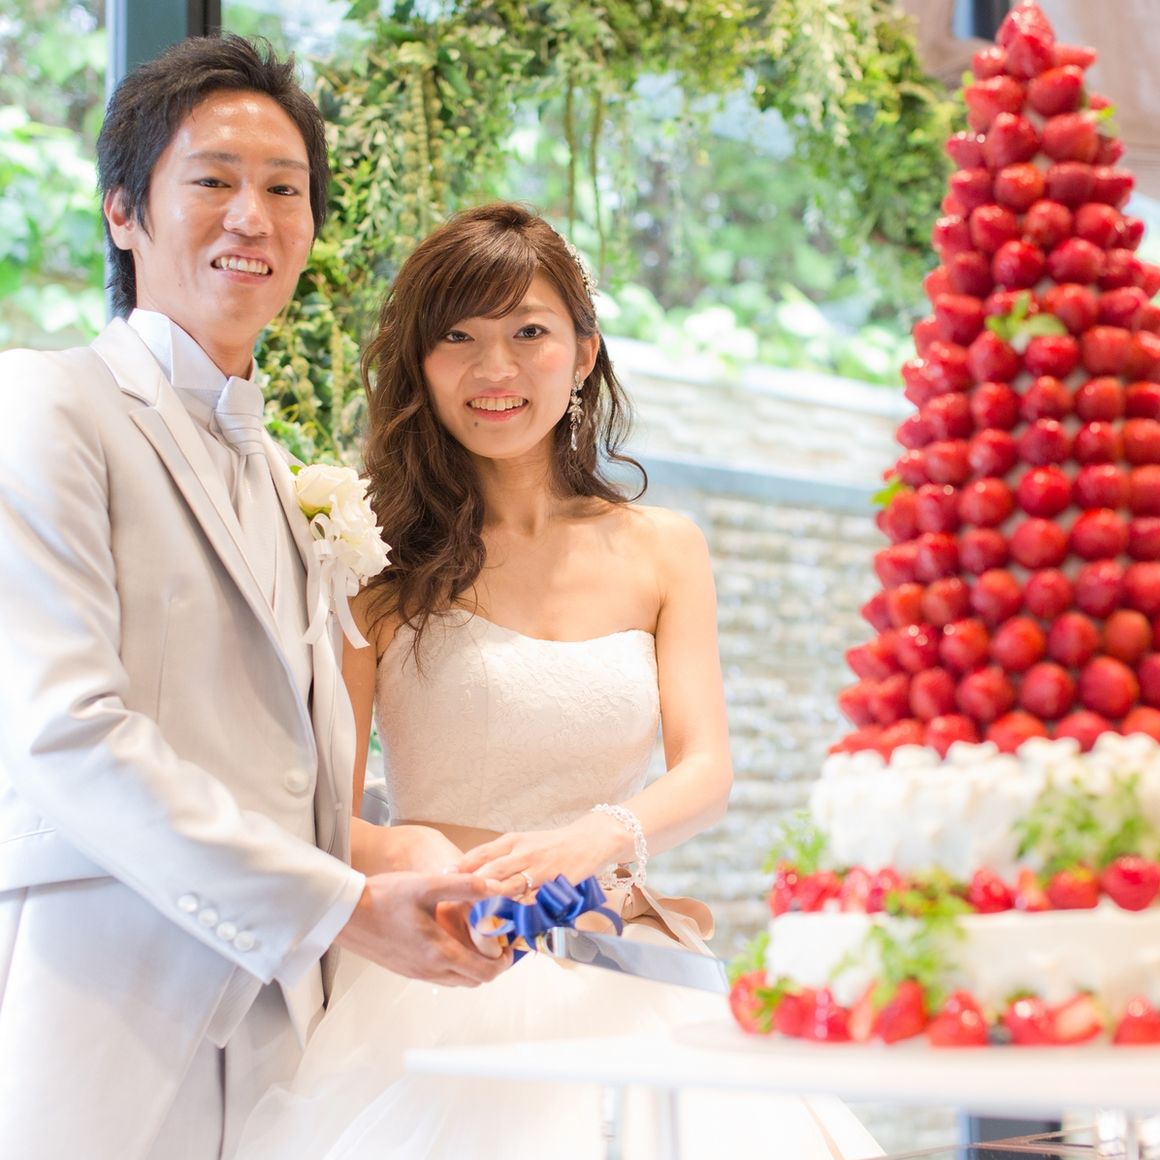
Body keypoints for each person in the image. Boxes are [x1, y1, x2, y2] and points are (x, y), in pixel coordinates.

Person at [235, 203, 882, 1158]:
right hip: (441, 963)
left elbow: (705, 771)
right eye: (458, 338)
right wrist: (404, 851)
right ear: (420, 365)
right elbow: (314, 804)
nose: (494, 369)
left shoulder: (665, 548)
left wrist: (601, 836)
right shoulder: (368, 563)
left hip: (621, 957)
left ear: (582, 354)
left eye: (528, 333)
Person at [0, 36, 506, 1160]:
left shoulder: (285, 478)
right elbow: (63, 732)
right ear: (123, 211)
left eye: (285, 189)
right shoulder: (45, 406)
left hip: (285, 1043)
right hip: (106, 1010)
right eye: (213, 180)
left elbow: (280, 768)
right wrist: (339, 905)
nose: (254, 217)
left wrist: (395, 853)